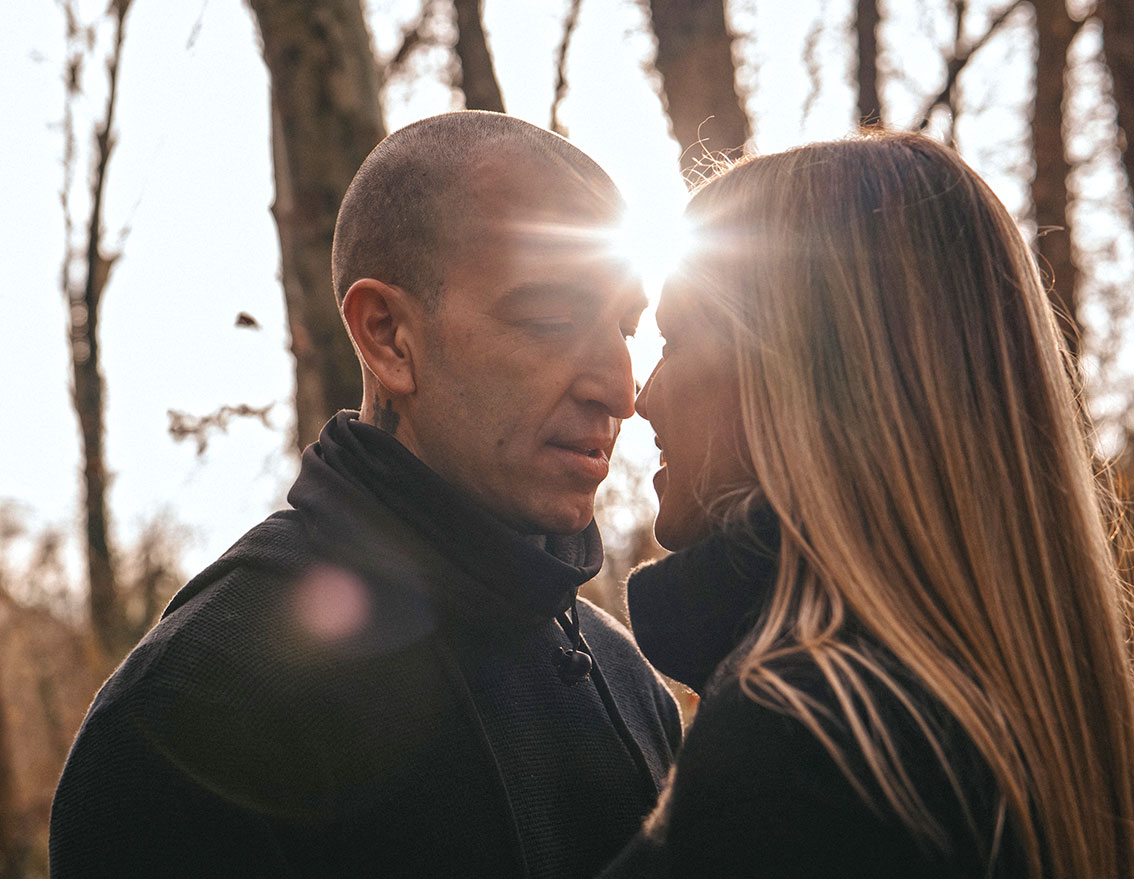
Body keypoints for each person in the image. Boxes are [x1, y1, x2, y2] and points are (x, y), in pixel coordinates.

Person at [50, 111, 681, 879]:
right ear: (387, 335)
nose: (620, 389)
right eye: (551, 317)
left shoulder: (629, 678)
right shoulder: (194, 709)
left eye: (625, 328)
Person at [602, 132, 1134, 878]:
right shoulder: (1043, 729)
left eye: (676, 339)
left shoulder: (800, 749)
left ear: (802, 376)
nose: (641, 396)